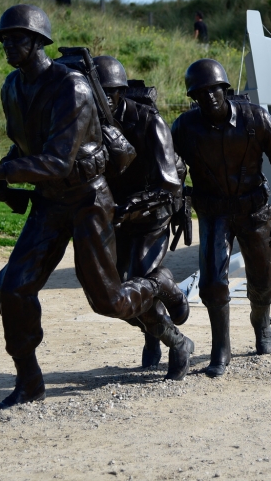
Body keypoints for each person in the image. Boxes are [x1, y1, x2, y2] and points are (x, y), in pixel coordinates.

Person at [0, 4, 194, 410]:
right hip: (50, 201)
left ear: (38, 42)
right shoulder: (11, 87)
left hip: (87, 198)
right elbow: (25, 145)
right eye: (4, 38)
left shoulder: (73, 88)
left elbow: (57, 161)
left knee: (109, 301)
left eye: (16, 38)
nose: (8, 45)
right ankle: (29, 382)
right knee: (12, 287)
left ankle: (162, 288)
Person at [171, 59, 271, 378]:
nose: (209, 97)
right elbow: (171, 164)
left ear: (224, 89)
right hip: (213, 212)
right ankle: (220, 351)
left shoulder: (256, 119)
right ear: (193, 97)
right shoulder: (185, 127)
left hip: (254, 211)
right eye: (200, 93)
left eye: (214, 89)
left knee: (264, 281)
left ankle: (261, 320)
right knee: (212, 283)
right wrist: (176, 184)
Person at [95, 56, 184, 368]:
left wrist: (135, 204)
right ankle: (158, 325)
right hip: (115, 216)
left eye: (107, 93)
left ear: (120, 92)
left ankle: (171, 336)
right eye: (95, 93)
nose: (99, 100)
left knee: (138, 280)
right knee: (112, 295)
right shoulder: (87, 123)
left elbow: (170, 183)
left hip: (152, 215)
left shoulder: (149, 121)